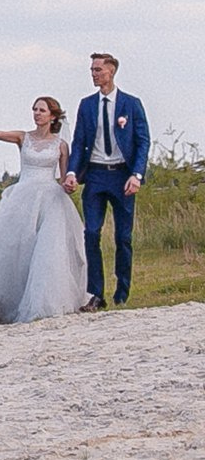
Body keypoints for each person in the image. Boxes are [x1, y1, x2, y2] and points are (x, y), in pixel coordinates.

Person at [0, 97, 90, 324]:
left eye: (42, 110)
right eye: (35, 109)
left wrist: (70, 185)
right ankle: (9, 303)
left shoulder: (60, 145)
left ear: (52, 116)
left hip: (50, 199)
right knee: (15, 250)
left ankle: (44, 302)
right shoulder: (23, 137)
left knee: (48, 251)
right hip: (23, 197)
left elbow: (64, 177)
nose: (37, 113)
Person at [62, 52, 150, 309]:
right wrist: (71, 173)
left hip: (123, 175)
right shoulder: (87, 105)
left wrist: (136, 174)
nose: (94, 74)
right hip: (96, 174)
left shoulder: (131, 104)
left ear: (111, 71)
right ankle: (96, 294)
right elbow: (79, 141)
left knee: (123, 237)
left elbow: (143, 141)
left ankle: (122, 293)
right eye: (92, 70)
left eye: (98, 69)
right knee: (91, 232)